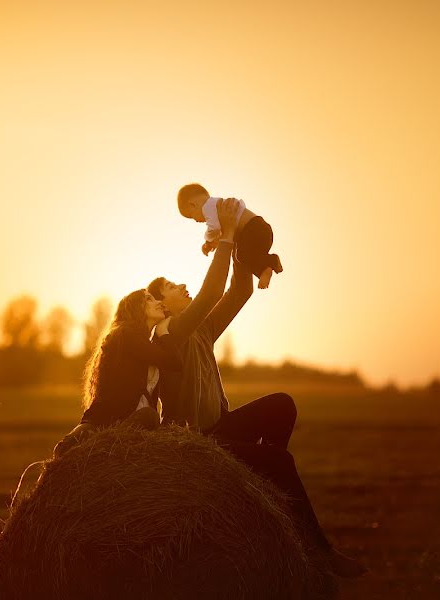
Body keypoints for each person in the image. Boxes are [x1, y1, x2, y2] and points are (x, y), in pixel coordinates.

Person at [149, 202, 366, 579]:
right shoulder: (169, 334)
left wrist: (242, 249)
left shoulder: (201, 330)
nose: (182, 285)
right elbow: (211, 289)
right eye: (171, 287)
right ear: (161, 306)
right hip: (197, 441)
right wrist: (228, 233)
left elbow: (238, 291)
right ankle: (320, 552)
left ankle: (261, 488)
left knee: (282, 404)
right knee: (282, 464)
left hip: (222, 428)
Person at [52, 289, 180, 457]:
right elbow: (174, 362)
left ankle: (107, 445)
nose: (158, 303)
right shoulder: (124, 335)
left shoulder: (146, 344)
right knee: (150, 416)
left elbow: (176, 364)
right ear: (135, 307)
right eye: (149, 299)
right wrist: (163, 332)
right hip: (105, 422)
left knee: (150, 417)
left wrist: (162, 331)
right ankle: (105, 443)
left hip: (136, 425)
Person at [177, 182, 283, 289]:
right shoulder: (218, 205)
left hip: (253, 229)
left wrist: (208, 241)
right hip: (260, 229)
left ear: (192, 205)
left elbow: (214, 228)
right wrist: (216, 242)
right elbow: (224, 232)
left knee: (242, 256)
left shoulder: (208, 207)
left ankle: (269, 263)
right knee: (246, 257)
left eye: (191, 216)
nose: (195, 220)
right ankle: (266, 267)